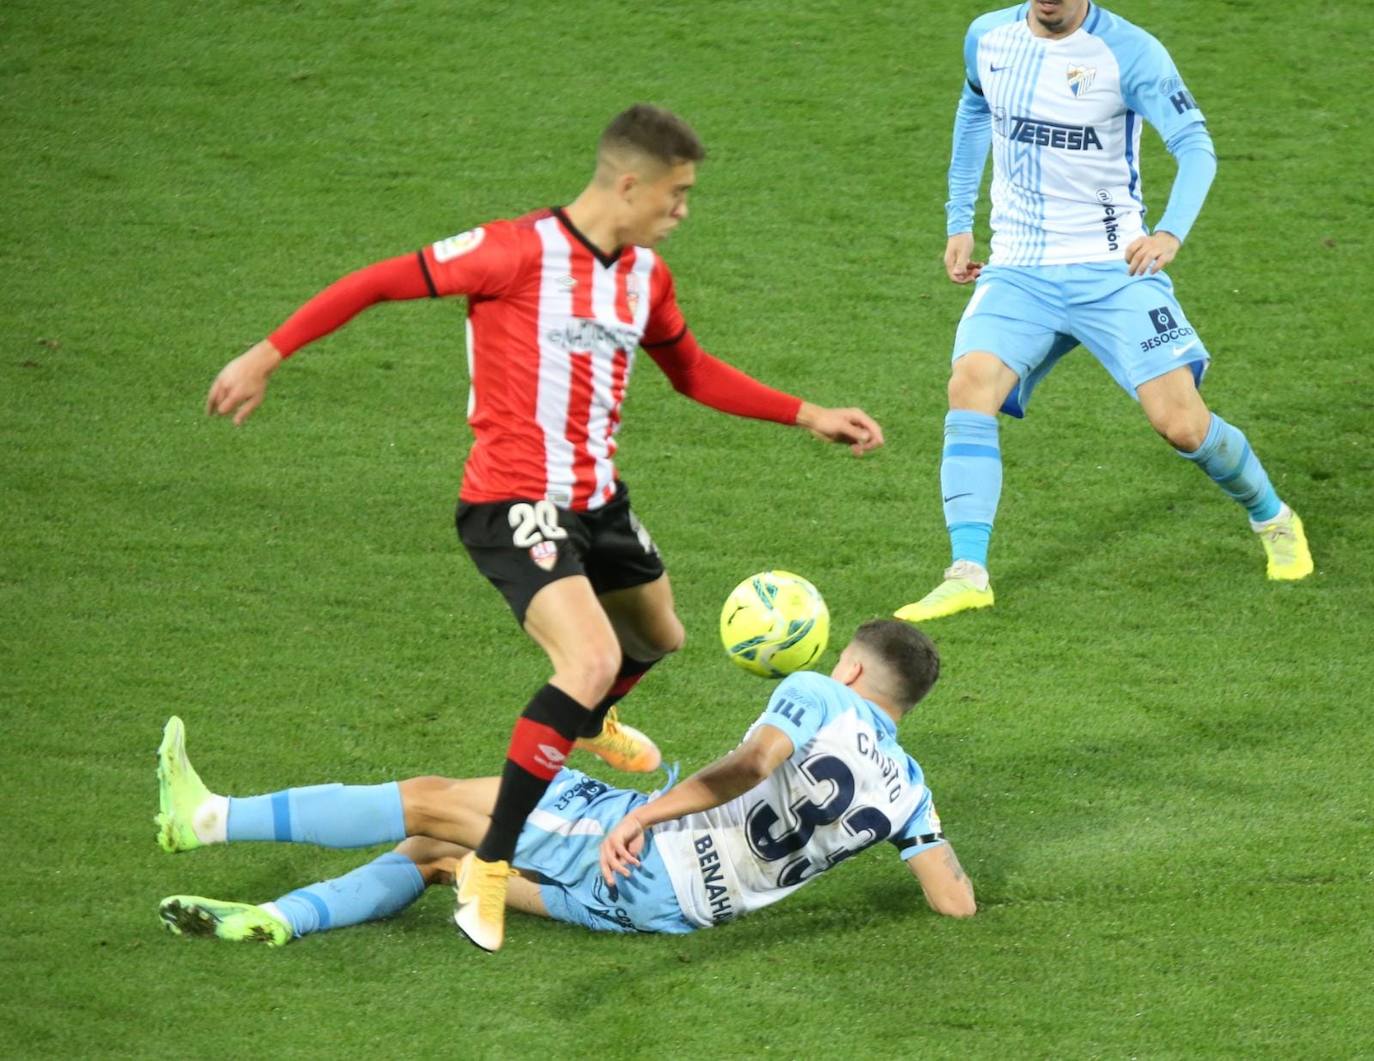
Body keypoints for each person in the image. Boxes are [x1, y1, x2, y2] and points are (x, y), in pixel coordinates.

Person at [202, 104, 884, 950]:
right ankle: (488, 863)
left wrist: (808, 413)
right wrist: (266, 353)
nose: (684, 212)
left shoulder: (646, 278)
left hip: (598, 501)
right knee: (588, 658)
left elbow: (693, 370)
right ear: (628, 183)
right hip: (512, 499)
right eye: (676, 195)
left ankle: (585, 718)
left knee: (658, 634)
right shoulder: (513, 251)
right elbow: (376, 281)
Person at [154, 620, 975, 947]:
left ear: (856, 665)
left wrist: (644, 813)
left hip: (648, 854)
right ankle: (275, 919)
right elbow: (953, 900)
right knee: (443, 853)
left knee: (436, 796)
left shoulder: (822, 693)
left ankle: (210, 819)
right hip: (676, 914)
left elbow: (750, 767)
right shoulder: (911, 789)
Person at [895, 0, 1313, 624]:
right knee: (969, 384)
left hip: (1113, 270)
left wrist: (1170, 232)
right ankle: (968, 572)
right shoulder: (987, 36)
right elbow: (974, 107)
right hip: (1019, 269)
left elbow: (1195, 146)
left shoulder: (1131, 51)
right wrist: (960, 220)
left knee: (1182, 425)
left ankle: (1272, 517)